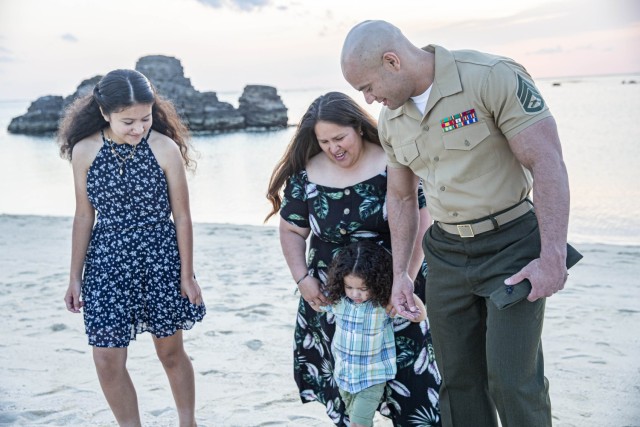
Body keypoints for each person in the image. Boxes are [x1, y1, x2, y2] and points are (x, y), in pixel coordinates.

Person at [341, 20, 583, 427]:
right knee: (457, 382)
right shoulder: (390, 121)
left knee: (512, 380)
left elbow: (548, 162)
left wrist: (552, 255)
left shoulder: (491, 77)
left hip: (511, 246)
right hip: (447, 254)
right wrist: (402, 272)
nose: (368, 98)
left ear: (392, 61)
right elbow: (400, 197)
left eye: (367, 86)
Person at [265, 91, 441, 426]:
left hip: (397, 291)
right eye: (325, 141)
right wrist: (302, 279)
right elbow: (291, 231)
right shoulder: (306, 176)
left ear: (358, 127)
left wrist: (406, 281)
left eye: (340, 137)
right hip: (336, 300)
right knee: (350, 400)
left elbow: (422, 224)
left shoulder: (393, 162)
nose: (334, 148)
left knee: (417, 392)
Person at [58, 69, 206, 427]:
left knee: (170, 352)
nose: (139, 128)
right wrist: (74, 277)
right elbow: (83, 217)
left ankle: (188, 423)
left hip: (159, 257)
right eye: (128, 121)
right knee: (107, 359)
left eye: (146, 117)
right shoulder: (85, 151)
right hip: (107, 261)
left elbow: (182, 217)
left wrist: (187, 275)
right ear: (104, 113)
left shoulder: (164, 149)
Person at [310, 240, 427, 427]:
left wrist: (405, 293)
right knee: (352, 421)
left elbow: (420, 316)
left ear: (376, 283)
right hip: (343, 376)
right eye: (349, 287)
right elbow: (315, 302)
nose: (355, 294)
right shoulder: (338, 301)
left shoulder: (382, 305)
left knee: (359, 423)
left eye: (363, 289)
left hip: (372, 378)